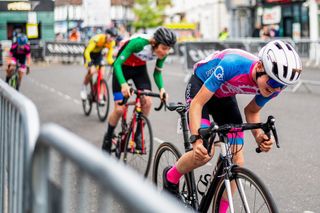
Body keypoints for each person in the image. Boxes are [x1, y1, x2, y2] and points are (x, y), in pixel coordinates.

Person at [162, 40, 302, 211]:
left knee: (237, 161)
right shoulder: (233, 64)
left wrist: (258, 136)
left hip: (225, 96)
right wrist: (197, 141)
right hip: (200, 88)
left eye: (282, 86)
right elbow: (197, 104)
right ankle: (171, 178)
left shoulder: (273, 86)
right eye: (273, 83)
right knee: (204, 154)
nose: (275, 89)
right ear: (259, 67)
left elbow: (251, 111)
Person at [101, 27, 177, 152]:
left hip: (139, 70)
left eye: (168, 49)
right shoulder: (139, 43)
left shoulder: (163, 53)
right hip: (122, 68)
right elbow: (117, 64)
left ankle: (138, 134)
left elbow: (157, 73)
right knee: (119, 109)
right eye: (163, 48)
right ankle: (108, 136)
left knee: (147, 101)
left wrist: (162, 89)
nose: (165, 52)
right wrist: (124, 84)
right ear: (154, 43)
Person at [80, 28, 118, 100]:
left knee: (102, 74)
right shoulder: (97, 39)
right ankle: (84, 87)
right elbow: (87, 52)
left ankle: (98, 92)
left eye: (114, 37)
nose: (112, 39)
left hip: (98, 55)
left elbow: (109, 58)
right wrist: (89, 61)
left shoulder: (112, 43)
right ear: (106, 35)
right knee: (92, 71)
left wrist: (113, 63)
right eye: (111, 36)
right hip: (89, 54)